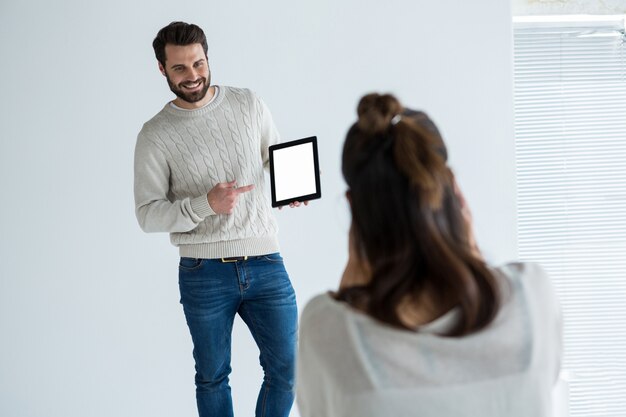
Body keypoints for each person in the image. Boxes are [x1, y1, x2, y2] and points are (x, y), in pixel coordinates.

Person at [296, 93, 562, 417]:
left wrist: (353, 281)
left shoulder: (328, 330)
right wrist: (468, 253)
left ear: (355, 209)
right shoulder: (532, 297)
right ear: (454, 190)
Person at [134, 21, 299, 417]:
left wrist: (296, 183)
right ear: (162, 69)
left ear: (208, 58)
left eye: (198, 63)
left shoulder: (248, 103)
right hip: (202, 271)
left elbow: (272, 157)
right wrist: (205, 204)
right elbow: (147, 213)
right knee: (212, 376)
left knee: (288, 370)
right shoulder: (155, 134)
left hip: (265, 260)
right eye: (179, 68)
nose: (192, 76)